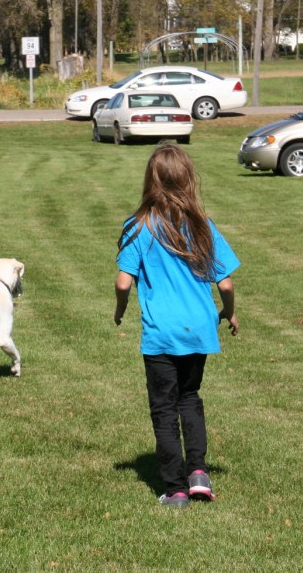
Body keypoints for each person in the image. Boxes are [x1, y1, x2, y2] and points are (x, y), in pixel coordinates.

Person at [112, 143, 240, 509]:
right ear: (187, 179)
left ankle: (175, 489)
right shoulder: (203, 226)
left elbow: (123, 282)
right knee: (190, 398)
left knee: (164, 409)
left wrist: (120, 309)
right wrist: (228, 313)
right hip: (199, 330)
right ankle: (198, 474)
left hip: (160, 335)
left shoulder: (138, 227)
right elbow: (226, 283)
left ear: (150, 181)